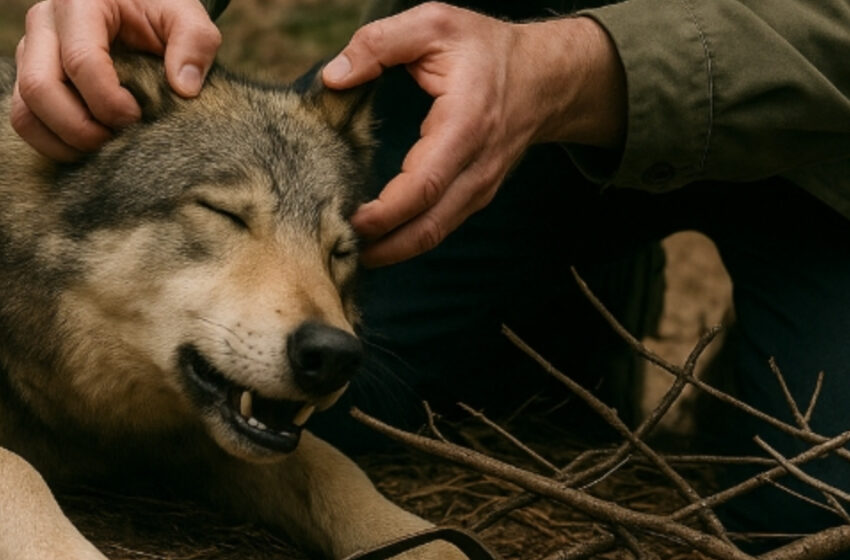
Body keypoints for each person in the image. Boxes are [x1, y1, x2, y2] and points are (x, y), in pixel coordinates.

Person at [11, 0, 850, 551]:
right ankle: (569, 301)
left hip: (826, 131)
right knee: (341, 409)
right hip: (485, 33)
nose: (329, 320)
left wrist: (566, 67)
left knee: (814, 514)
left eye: (334, 257)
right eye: (229, 219)